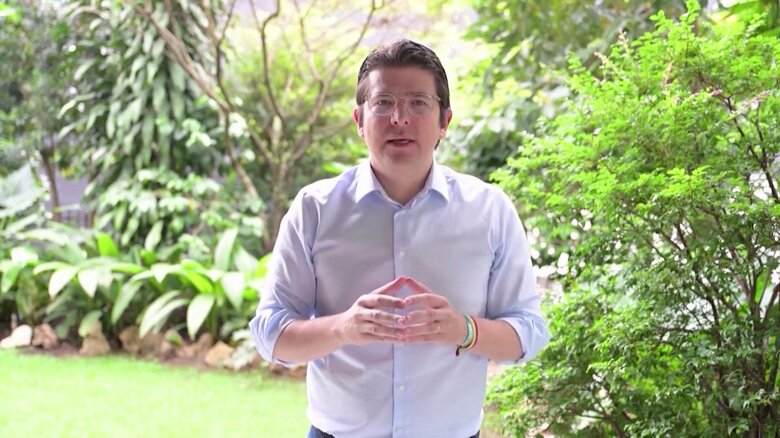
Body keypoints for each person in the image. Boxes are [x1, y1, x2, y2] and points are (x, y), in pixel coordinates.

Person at [249, 39, 550, 438]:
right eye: (383, 102)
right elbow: (271, 334)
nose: (400, 118)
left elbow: (528, 332)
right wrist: (344, 328)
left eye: (418, 103)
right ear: (359, 120)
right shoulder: (315, 210)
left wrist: (464, 330)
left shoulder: (489, 211)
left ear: (444, 121)